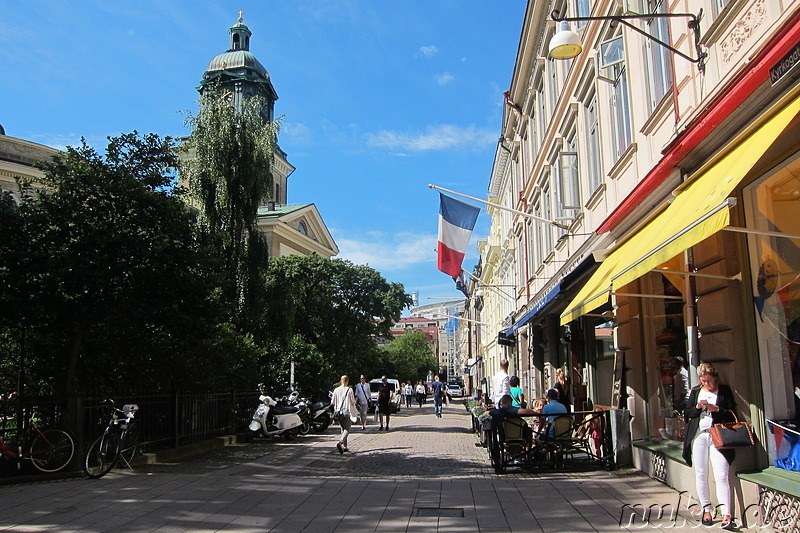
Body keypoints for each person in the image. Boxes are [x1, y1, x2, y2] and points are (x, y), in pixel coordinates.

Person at [682, 362, 737, 529]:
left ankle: (727, 513)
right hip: (700, 436)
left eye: (708, 380)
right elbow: (687, 413)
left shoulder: (724, 390)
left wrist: (717, 409)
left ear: (715, 377)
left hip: (718, 436)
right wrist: (698, 408)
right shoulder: (696, 392)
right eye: (703, 381)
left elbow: (732, 413)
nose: (706, 384)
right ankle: (706, 509)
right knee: (701, 474)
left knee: (721, 475)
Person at [331, 375, 358, 454]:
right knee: (347, 430)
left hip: (338, 412)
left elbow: (332, 402)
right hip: (347, 411)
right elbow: (352, 402)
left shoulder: (336, 390)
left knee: (343, 428)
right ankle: (340, 442)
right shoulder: (349, 390)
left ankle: (345, 447)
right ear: (347, 381)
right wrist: (355, 400)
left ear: (341, 381)